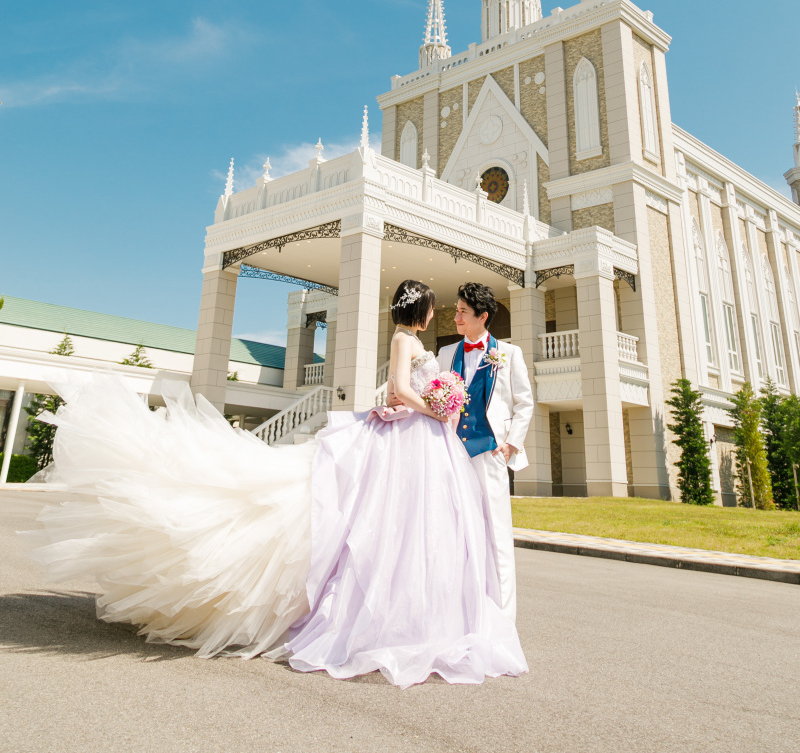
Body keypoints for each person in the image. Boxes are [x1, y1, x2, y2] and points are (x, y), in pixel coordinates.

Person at [24, 279, 527, 689]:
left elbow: (473, 396)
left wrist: (451, 418)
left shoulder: (466, 350)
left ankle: (446, 614)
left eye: (459, 310)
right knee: (382, 523)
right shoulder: (414, 343)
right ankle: (387, 616)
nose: (448, 315)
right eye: (442, 308)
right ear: (421, 310)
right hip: (418, 435)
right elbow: (400, 386)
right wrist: (434, 408)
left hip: (449, 446)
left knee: (432, 532)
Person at [437, 282, 534, 621]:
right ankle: (459, 612)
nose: (456, 316)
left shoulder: (509, 353)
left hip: (490, 453)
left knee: (496, 534)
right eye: (457, 310)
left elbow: (525, 403)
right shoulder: (446, 354)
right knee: (453, 530)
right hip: (452, 453)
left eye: (463, 311)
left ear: (483, 316)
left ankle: (502, 619)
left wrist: (511, 444)